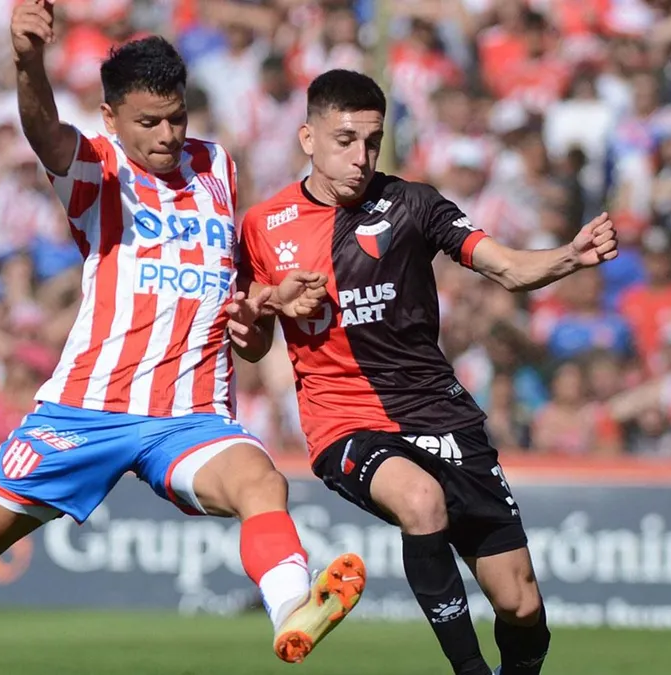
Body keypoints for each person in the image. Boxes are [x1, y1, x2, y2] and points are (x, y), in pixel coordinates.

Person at [0, 4, 364, 674]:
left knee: (262, 480)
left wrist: (262, 306)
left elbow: (246, 332)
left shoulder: (219, 170)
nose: (168, 134)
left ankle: (292, 609)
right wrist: (27, 60)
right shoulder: (99, 169)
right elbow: (43, 129)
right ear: (112, 118)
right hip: (85, 410)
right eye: (150, 122)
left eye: (177, 118)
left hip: (189, 417)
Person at [235, 69, 620, 675]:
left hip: (439, 411)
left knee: (520, 605)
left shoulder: (413, 204)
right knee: (420, 500)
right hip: (344, 418)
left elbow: (509, 269)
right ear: (308, 138)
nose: (360, 157)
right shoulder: (263, 225)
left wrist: (571, 256)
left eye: (371, 141)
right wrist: (269, 303)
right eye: (344, 140)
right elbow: (252, 344)